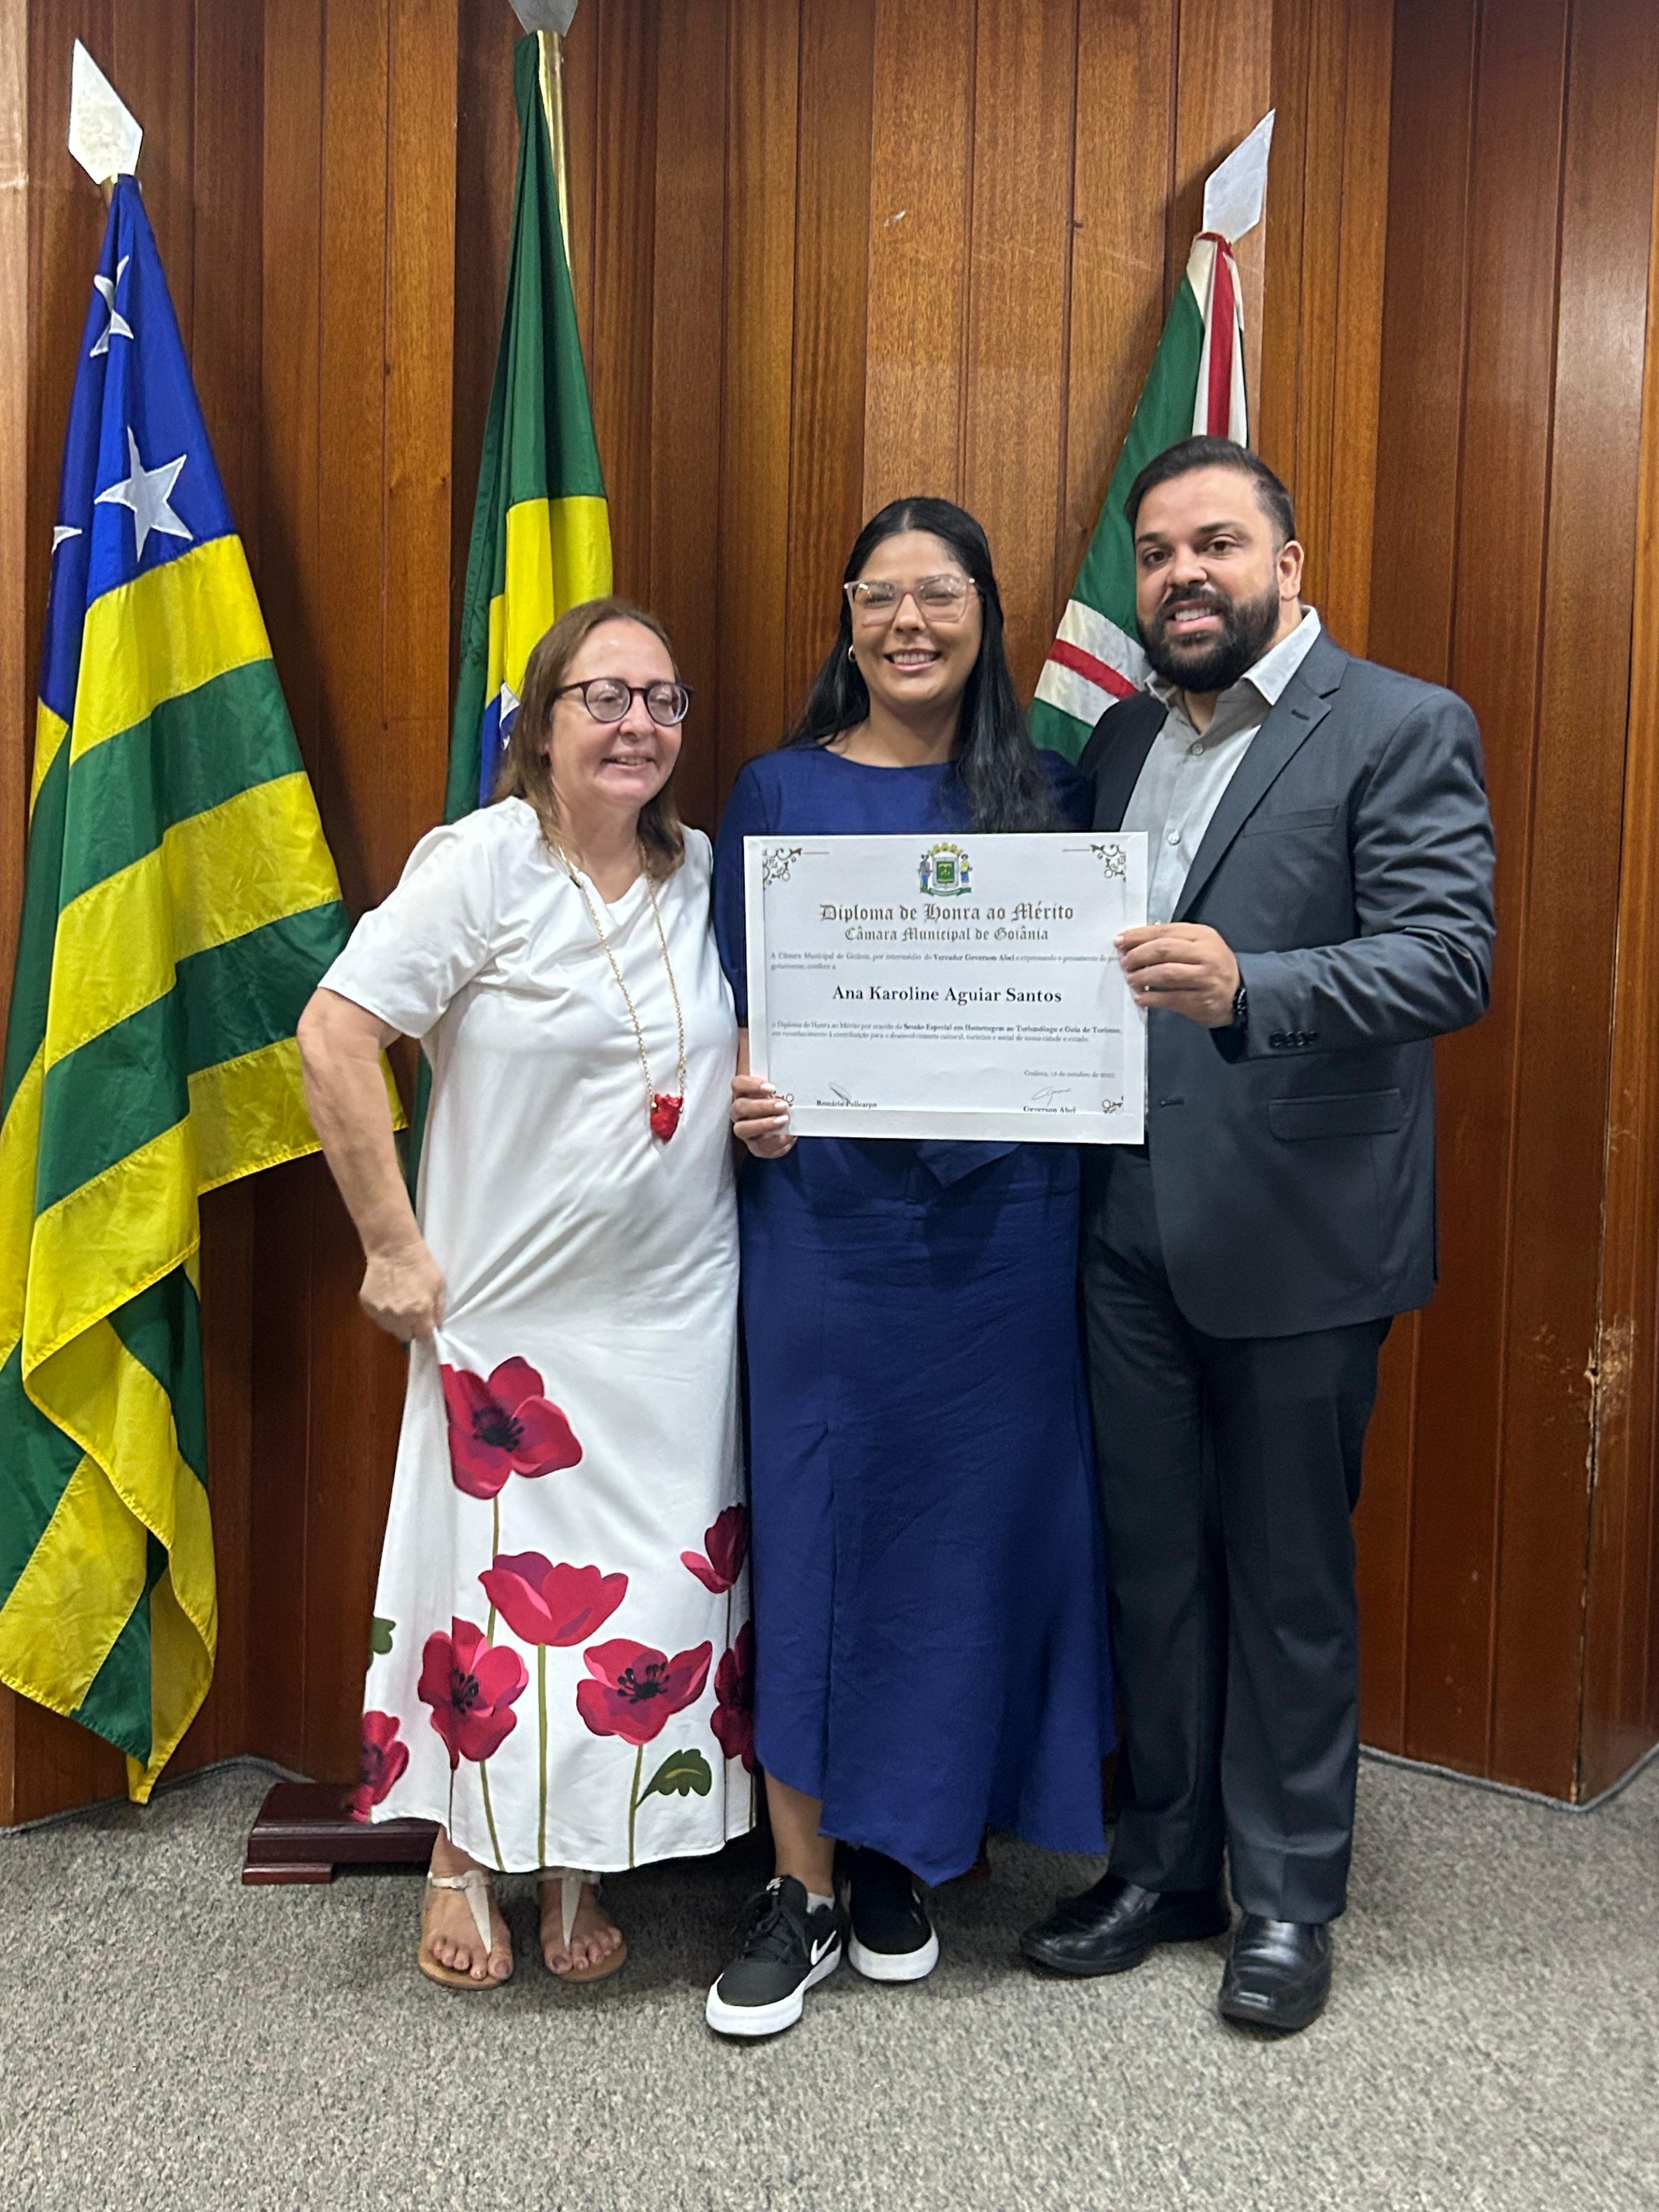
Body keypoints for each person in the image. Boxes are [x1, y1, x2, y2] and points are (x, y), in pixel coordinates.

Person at [1019, 437, 1496, 2032]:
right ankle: (1166, 1867)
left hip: (1303, 1231)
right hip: (1125, 1230)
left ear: (1287, 564)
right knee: (1154, 1568)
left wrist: (1253, 988)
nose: (1184, 576)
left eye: (1217, 545)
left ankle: (1288, 1896)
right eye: (1158, 553)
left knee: (1288, 1576)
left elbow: (1450, 958)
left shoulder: (1402, 724)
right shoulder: (1122, 738)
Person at [705, 497, 1115, 2039]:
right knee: (817, 1524)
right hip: (827, 1228)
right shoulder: (777, 788)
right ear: (849, 614)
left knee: (962, 1538)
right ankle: (803, 1880)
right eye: (882, 595)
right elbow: (736, 1001)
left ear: (987, 614)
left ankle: (907, 1851)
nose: (910, 623)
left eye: (941, 595)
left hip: (1006, 1234)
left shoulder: (1053, 792)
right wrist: (747, 1093)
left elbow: (1088, 1006)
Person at [296, 598, 750, 1991]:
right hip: (515, 1330)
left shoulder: (703, 872)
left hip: (678, 1315)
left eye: (662, 700)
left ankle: (578, 1855)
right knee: (492, 1598)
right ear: (542, 724)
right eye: (603, 697)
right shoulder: (482, 864)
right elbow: (334, 1035)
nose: (637, 725)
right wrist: (390, 1243)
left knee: (647, 1599)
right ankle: (460, 1852)